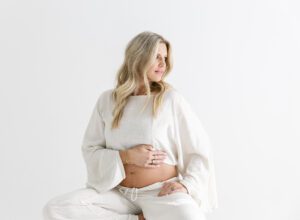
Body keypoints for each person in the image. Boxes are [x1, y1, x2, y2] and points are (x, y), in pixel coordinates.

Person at [43, 31, 218, 220]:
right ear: (139, 57)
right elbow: (90, 149)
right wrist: (127, 156)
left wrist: (188, 185)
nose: (163, 64)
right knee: (56, 209)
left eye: (165, 58)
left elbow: (199, 150)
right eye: (157, 57)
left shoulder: (170, 100)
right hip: (119, 195)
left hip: (160, 194)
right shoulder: (108, 101)